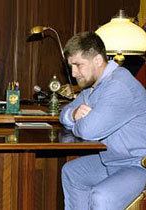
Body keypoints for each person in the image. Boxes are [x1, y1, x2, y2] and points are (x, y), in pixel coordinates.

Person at [60, 31, 146, 210]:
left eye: (78, 65)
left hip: (138, 164)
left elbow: (88, 131)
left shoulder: (119, 86)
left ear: (98, 60)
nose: (74, 73)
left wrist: (79, 123)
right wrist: (74, 114)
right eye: (71, 66)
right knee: (71, 172)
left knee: (101, 197)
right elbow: (63, 114)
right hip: (113, 160)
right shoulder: (94, 87)